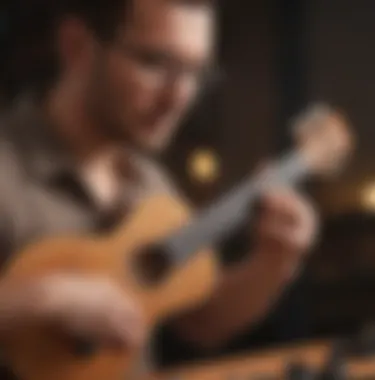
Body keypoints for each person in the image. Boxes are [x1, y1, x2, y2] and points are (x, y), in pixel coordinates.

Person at [0, 0, 318, 376]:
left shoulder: (152, 185)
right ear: (77, 47)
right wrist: (46, 297)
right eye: (155, 64)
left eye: (195, 74)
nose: (179, 98)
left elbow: (201, 322)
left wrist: (273, 262)